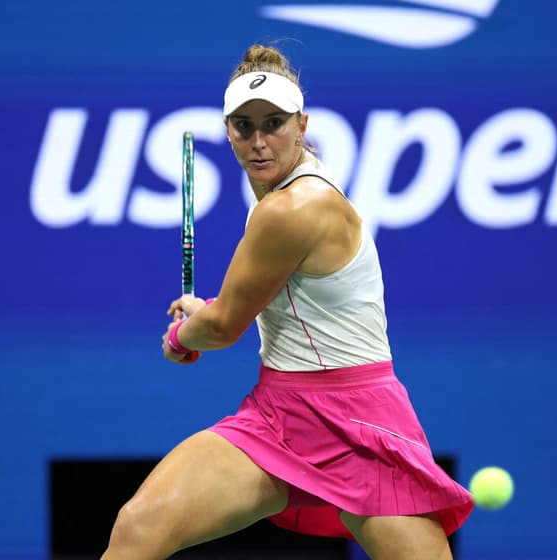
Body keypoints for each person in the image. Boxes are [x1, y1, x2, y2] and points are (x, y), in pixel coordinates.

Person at [101, 43, 474, 560]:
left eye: (273, 123)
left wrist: (182, 336)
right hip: (279, 415)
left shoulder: (292, 208)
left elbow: (225, 326)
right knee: (139, 527)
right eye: (243, 126)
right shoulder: (282, 194)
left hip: (359, 421)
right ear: (227, 129)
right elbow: (283, 294)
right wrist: (208, 308)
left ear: (301, 124)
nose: (258, 142)